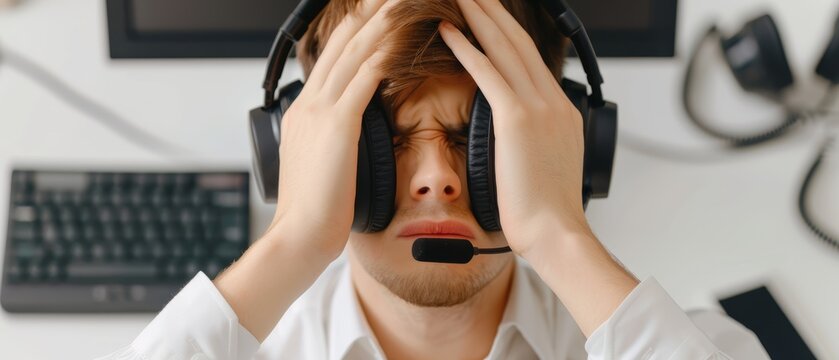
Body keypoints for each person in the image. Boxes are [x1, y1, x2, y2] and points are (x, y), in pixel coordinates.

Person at [101, 0, 770, 358]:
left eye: (468, 140)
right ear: (296, 153)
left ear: (571, 143)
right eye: (385, 139)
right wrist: (294, 242)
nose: (436, 182)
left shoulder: (701, 347)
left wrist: (561, 238)